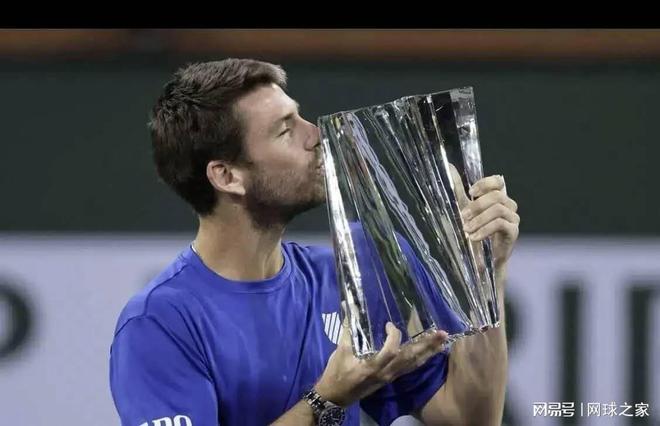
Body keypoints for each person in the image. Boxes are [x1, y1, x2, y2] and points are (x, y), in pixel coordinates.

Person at [109, 58, 520, 426]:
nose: (316, 135)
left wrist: (486, 272)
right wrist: (327, 399)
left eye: (300, 116)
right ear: (227, 176)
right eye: (285, 130)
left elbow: (470, 419)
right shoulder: (159, 323)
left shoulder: (356, 271)